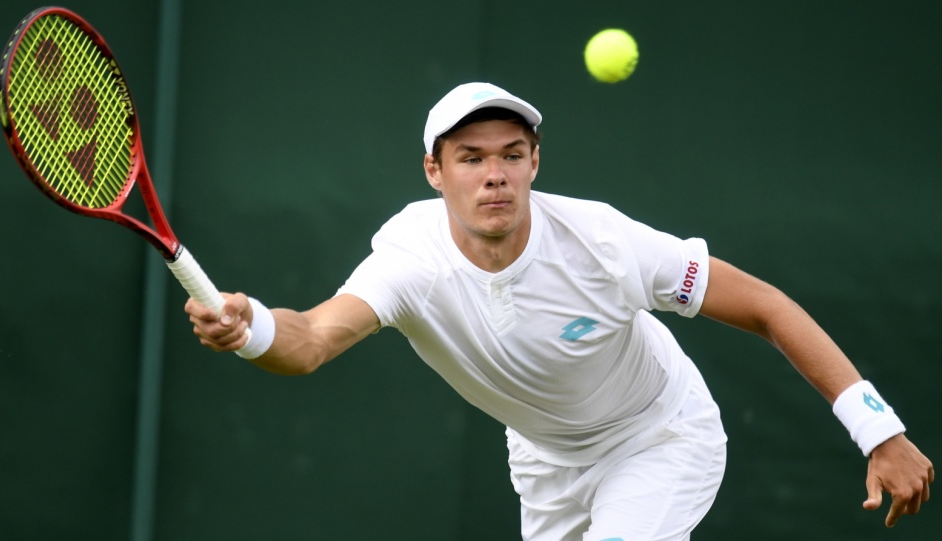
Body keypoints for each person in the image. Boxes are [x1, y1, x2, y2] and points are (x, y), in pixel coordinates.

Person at [186, 82, 933, 540]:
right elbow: (313, 336)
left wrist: (879, 429)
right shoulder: (408, 258)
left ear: (535, 162)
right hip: (545, 462)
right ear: (434, 171)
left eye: (511, 154)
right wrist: (249, 329)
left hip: (660, 437)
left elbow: (766, 306)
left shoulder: (606, 243)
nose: (495, 176)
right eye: (472, 158)